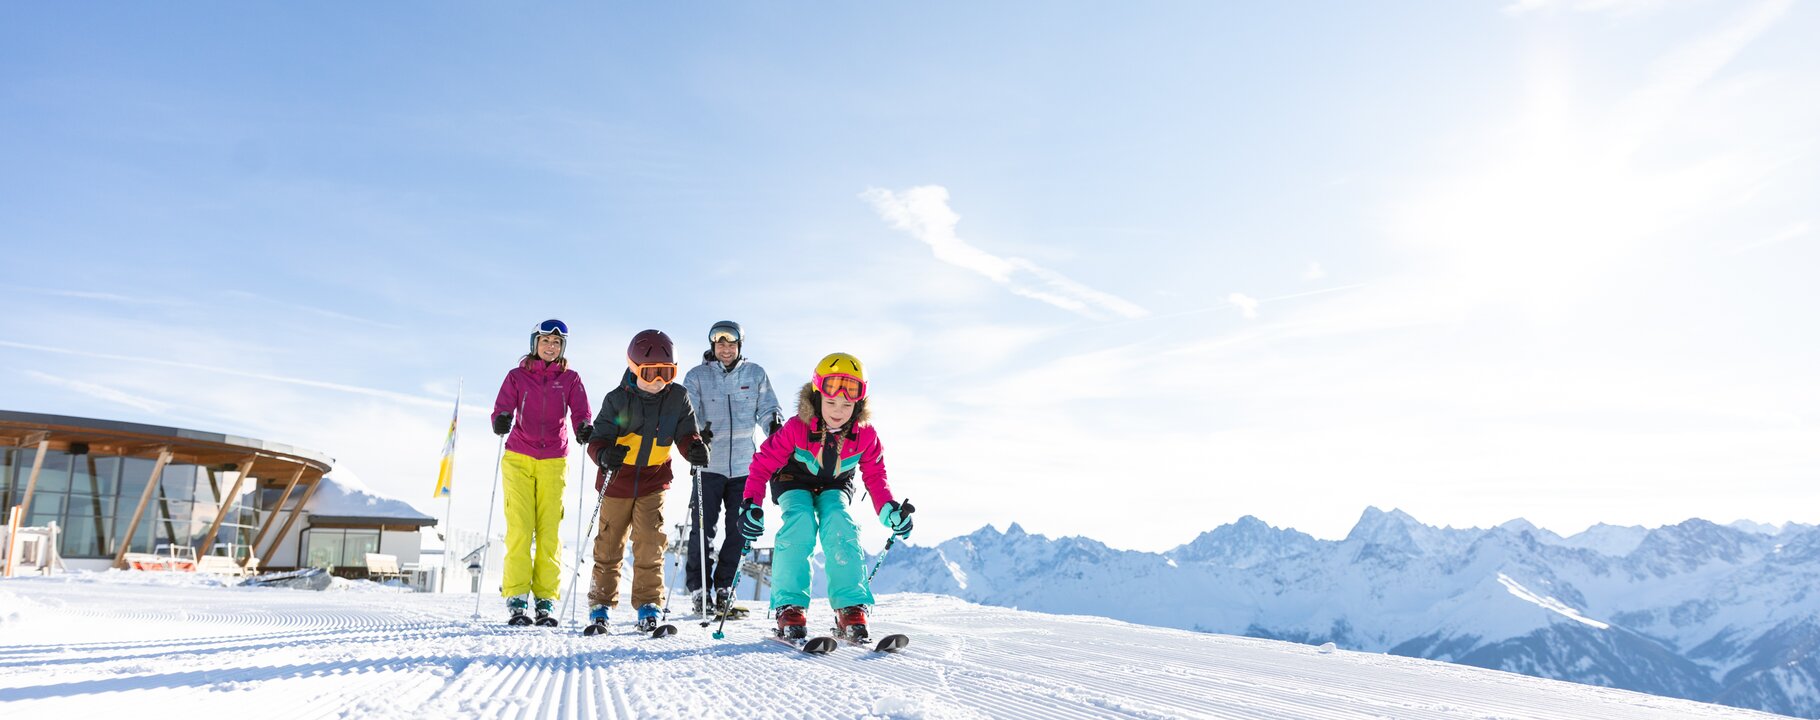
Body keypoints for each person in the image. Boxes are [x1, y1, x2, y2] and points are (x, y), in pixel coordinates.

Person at [738, 352, 913, 642]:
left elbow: (875, 477)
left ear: (858, 403)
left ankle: (850, 608)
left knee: (839, 522)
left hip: (835, 484)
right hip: (793, 479)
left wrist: (890, 512)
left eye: (847, 404)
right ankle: (789, 607)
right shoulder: (797, 427)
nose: (838, 410)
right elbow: (762, 464)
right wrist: (751, 504)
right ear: (818, 397)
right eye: (831, 402)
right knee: (800, 521)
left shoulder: (865, 435)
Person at [583, 329, 710, 634]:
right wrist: (604, 455)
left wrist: (693, 447)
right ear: (633, 368)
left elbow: (685, 434)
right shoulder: (617, 399)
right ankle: (600, 605)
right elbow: (597, 440)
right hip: (617, 482)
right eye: (650, 372)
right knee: (609, 544)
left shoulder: (678, 397)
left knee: (651, 543)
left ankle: (648, 604)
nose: (657, 381)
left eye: (666, 373)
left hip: (654, 479)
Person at [490, 319, 591, 626]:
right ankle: (517, 595)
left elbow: (581, 410)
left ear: (563, 348)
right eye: (546, 341)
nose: (551, 347)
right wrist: (501, 419)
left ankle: (545, 597)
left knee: (549, 532)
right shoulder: (517, 376)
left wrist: (583, 427)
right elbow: (502, 405)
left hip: (554, 460)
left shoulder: (570, 378)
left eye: (557, 343)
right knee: (520, 528)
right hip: (519, 456)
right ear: (535, 343)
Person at [681, 320, 782, 617]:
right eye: (720, 343)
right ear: (713, 346)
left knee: (740, 530)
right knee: (703, 530)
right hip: (708, 463)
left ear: (740, 346)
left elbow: (768, 408)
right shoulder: (697, 376)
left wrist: (774, 427)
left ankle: (725, 588)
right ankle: (700, 591)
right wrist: (697, 436)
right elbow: (689, 413)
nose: (726, 349)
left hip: (744, 467)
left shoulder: (755, 374)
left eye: (731, 343)